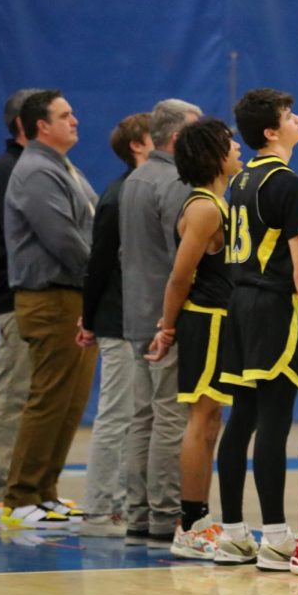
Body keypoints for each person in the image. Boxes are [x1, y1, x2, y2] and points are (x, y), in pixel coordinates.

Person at [214, 88, 298, 569]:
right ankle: (275, 536)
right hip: (273, 304)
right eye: (290, 116)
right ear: (272, 131)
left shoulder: (242, 179)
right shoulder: (288, 184)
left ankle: (233, 531)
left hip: (239, 303)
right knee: (274, 420)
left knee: (243, 417)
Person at [0, 90, 99, 528]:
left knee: (70, 399)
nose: (75, 120)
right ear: (42, 125)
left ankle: (45, 491)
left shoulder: (62, 166)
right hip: (50, 296)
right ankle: (19, 496)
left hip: (71, 296)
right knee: (48, 398)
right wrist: (99, 284)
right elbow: (63, 240)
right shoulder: (37, 171)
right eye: (65, 115)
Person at [146, 118, 241, 559]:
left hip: (219, 320)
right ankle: (190, 523)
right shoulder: (204, 208)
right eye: (229, 144)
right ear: (213, 156)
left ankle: (199, 519)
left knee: (210, 422)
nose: (238, 148)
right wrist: (167, 327)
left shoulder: (220, 203)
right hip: (205, 321)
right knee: (200, 422)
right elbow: (180, 276)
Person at [120, 98, 203, 542]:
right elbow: (184, 257)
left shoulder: (135, 177)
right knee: (170, 417)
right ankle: (166, 512)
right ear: (177, 138)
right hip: (163, 318)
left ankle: (138, 511)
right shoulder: (173, 181)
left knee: (143, 417)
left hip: (136, 312)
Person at [78, 112, 153, 536]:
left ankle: (126, 503)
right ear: (138, 146)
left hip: (139, 319)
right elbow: (99, 262)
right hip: (117, 319)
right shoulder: (120, 194)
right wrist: (90, 318)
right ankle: (97, 509)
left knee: (138, 415)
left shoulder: (146, 189)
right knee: (116, 414)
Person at [0, 89, 40, 519]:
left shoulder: (41, 167)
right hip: (18, 298)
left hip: (40, 299)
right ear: (26, 124)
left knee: (35, 395)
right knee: (14, 393)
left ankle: (30, 487)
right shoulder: (10, 170)